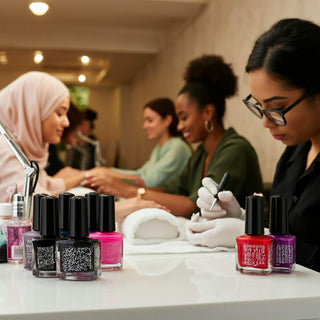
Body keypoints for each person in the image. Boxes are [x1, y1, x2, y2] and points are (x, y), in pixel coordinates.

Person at [190, 18, 320, 272]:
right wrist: (242, 219)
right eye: (260, 107)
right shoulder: (295, 154)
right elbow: (287, 230)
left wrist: (265, 242)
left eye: (277, 108)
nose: (265, 122)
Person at [85, 55, 263, 218]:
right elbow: (170, 189)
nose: (179, 126)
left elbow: (191, 206)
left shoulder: (235, 150)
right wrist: (124, 186)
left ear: (208, 112)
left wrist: (128, 190)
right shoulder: (200, 153)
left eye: (184, 117)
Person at [0, 71, 166, 220]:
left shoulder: (18, 148)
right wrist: (111, 210)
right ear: (31, 110)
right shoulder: (4, 149)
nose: (66, 122)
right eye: (59, 113)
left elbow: (43, 185)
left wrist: (87, 175)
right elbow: (32, 210)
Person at [88, 97, 192, 188]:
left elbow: (149, 181)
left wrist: (108, 173)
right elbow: (141, 173)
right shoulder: (159, 148)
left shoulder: (177, 147)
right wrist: (108, 171)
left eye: (150, 120)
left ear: (167, 120)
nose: (144, 126)